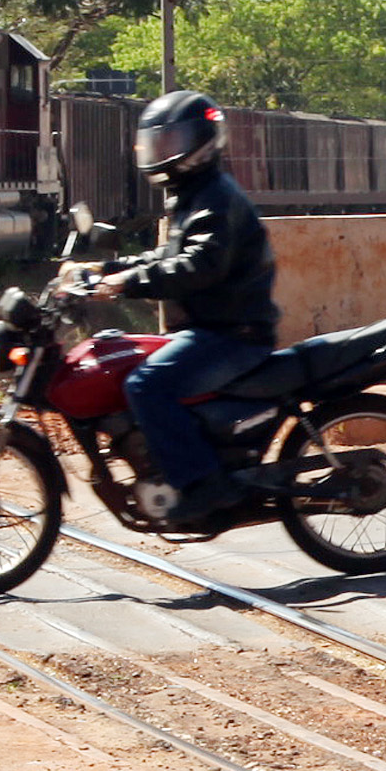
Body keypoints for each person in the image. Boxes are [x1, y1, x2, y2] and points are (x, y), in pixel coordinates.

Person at [88, 90, 277, 531]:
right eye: (159, 142)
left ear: (205, 141)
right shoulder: (194, 195)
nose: (163, 152)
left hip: (233, 334)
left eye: (174, 140)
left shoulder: (214, 198)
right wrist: (106, 268)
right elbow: (165, 258)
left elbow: (198, 266)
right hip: (212, 329)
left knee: (147, 384)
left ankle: (204, 483)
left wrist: (126, 284)